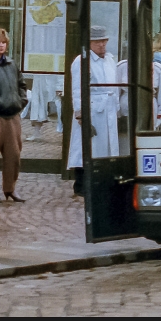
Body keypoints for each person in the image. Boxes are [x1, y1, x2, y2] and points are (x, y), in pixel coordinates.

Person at [67, 25, 120, 196]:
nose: (102, 45)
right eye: (97, 42)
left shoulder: (110, 60)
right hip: (93, 107)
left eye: (104, 41)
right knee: (86, 146)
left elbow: (115, 85)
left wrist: (118, 106)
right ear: (90, 43)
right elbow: (77, 88)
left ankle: (102, 180)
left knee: (107, 147)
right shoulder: (82, 61)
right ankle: (81, 184)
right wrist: (80, 112)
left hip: (109, 107)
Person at [0, 28, 27, 202]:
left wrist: (21, 101)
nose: (0, 45)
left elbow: (21, 85)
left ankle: (10, 189)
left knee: (13, 155)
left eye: (3, 42)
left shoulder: (11, 64)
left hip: (12, 116)